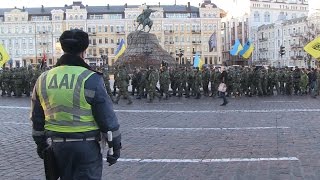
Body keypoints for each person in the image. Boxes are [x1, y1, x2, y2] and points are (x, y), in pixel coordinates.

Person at [30, 29, 121, 179]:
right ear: (84, 51)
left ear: (63, 48)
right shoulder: (91, 78)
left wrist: (41, 145)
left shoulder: (43, 78)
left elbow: (37, 119)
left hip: (57, 147)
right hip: (86, 148)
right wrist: (114, 148)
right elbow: (107, 120)